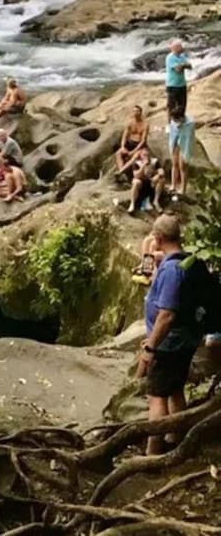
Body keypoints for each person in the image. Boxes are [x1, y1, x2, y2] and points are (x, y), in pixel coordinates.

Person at [138, 215, 200, 455]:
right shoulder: (183, 261)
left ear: (159, 238)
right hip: (180, 340)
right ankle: (178, 440)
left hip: (169, 343)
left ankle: (153, 453)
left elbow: (167, 315)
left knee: (156, 397)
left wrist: (151, 346)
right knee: (175, 390)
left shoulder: (173, 270)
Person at [127, 147, 166, 214]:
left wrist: (157, 176)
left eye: (148, 155)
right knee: (136, 182)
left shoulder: (154, 161)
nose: (146, 156)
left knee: (162, 179)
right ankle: (132, 204)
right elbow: (136, 175)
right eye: (144, 155)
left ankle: (156, 201)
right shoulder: (137, 163)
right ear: (141, 156)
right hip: (142, 184)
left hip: (152, 183)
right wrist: (143, 166)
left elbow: (162, 172)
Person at [168, 108, 195, 198]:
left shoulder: (190, 123)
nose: (175, 121)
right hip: (175, 143)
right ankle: (173, 185)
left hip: (185, 144)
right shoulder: (173, 121)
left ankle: (183, 188)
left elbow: (188, 136)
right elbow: (172, 132)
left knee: (182, 166)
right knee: (174, 164)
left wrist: (181, 126)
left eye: (176, 119)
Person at [115, 105, 149, 174]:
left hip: (139, 145)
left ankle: (121, 171)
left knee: (136, 156)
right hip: (130, 143)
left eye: (136, 111)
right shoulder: (130, 123)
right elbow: (124, 136)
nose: (135, 113)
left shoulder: (145, 124)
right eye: (133, 111)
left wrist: (133, 151)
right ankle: (122, 171)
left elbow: (143, 140)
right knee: (118, 153)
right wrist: (123, 147)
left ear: (140, 112)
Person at [165, 40, 192, 118]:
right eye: (180, 47)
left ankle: (181, 121)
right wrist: (183, 65)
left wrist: (182, 65)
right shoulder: (170, 57)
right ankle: (170, 124)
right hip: (172, 85)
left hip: (182, 84)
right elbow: (177, 70)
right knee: (171, 106)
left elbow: (190, 66)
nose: (182, 48)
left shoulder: (182, 56)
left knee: (182, 105)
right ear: (175, 48)